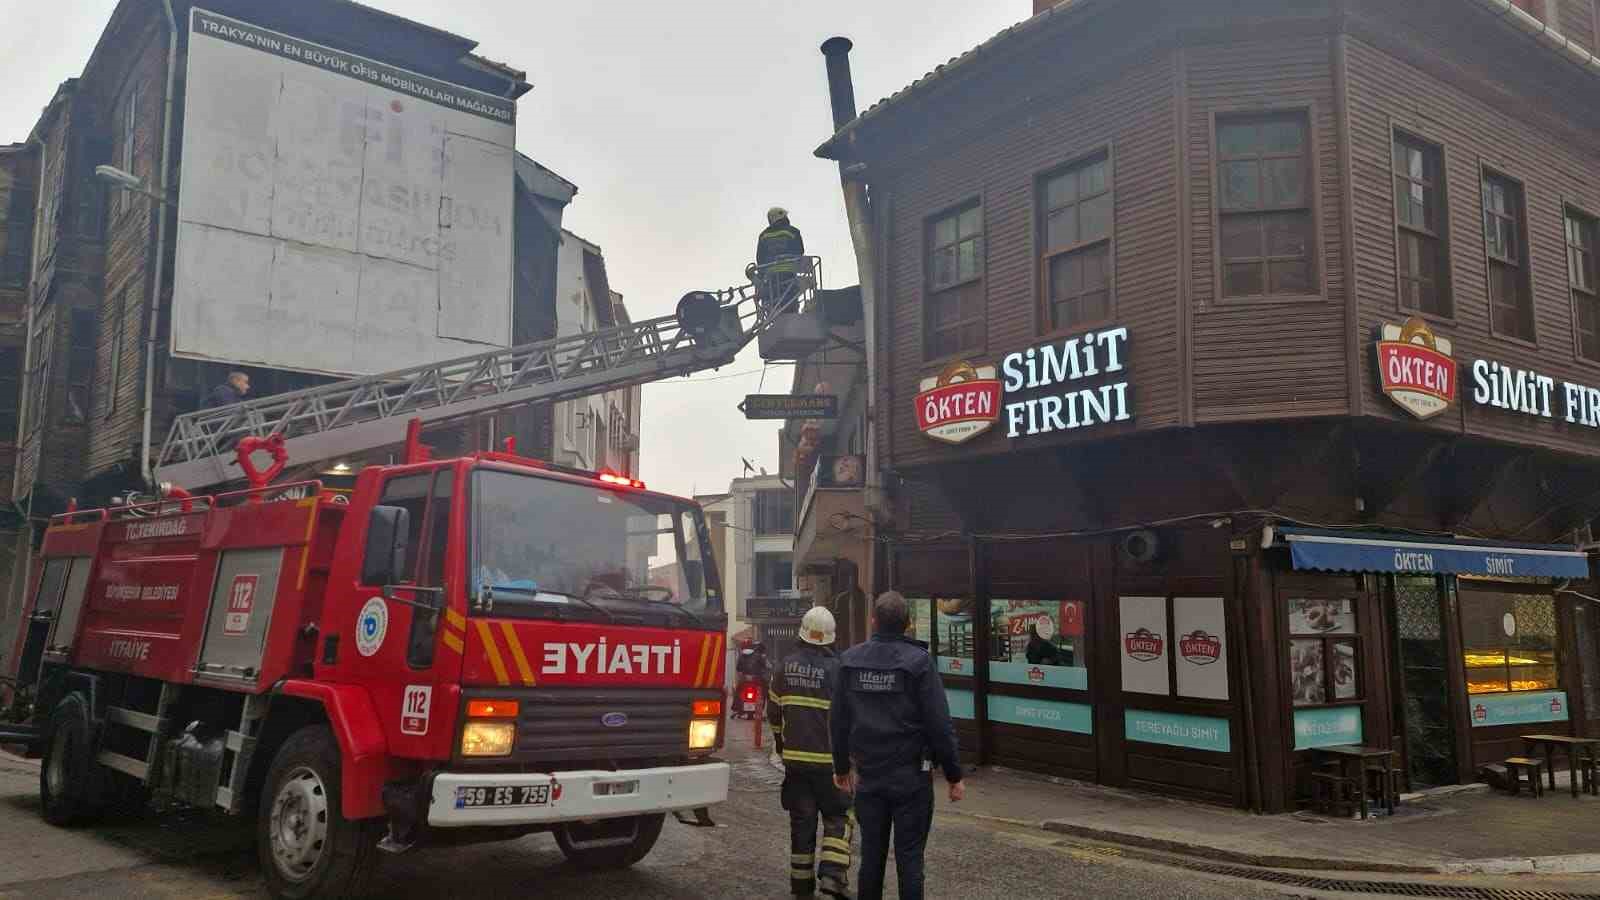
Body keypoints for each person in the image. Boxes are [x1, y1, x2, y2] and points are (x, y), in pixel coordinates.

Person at [831, 591, 963, 900]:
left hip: (869, 777)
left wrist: (841, 768)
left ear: (873, 621)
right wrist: (954, 776)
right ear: (908, 624)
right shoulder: (920, 663)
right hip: (911, 779)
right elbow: (939, 725)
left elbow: (837, 721)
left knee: (871, 859)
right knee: (910, 859)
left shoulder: (849, 662)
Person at [767, 607, 852, 898]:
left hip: (796, 764)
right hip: (830, 764)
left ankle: (801, 886)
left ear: (802, 633)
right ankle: (832, 876)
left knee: (802, 824)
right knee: (839, 816)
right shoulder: (839, 670)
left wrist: (781, 745)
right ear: (830, 637)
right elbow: (849, 718)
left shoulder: (784, 667)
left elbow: (773, 713)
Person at [755, 206, 805, 312]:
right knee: (790, 305)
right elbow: (800, 251)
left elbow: (760, 259)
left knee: (774, 307)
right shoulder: (793, 231)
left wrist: (761, 278)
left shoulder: (763, 235)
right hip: (789, 276)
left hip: (771, 278)